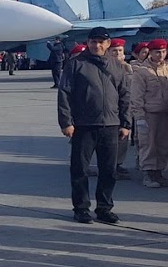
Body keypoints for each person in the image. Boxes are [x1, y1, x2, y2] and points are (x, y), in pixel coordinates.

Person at [57, 27, 131, 224]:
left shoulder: (116, 66)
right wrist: (66, 122)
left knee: (109, 170)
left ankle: (104, 208)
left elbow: (125, 96)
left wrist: (125, 123)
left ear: (108, 44)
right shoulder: (75, 64)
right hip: (83, 125)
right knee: (79, 170)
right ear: (88, 43)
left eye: (101, 42)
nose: (96, 45)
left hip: (111, 125)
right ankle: (81, 208)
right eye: (93, 41)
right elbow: (64, 94)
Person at [131, 38, 168, 187]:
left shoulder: (166, 68)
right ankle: (148, 174)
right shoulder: (142, 72)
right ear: (150, 53)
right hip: (149, 113)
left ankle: (159, 172)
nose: (160, 55)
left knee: (163, 144)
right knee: (149, 144)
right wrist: (139, 116)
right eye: (157, 52)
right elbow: (136, 96)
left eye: (163, 52)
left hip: (165, 113)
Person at [106, 40, 134, 179]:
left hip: (126, 107)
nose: (117, 54)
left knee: (123, 137)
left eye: (120, 51)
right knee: (111, 140)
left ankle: (118, 164)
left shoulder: (128, 68)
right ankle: (109, 167)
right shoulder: (105, 67)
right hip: (111, 108)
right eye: (114, 51)